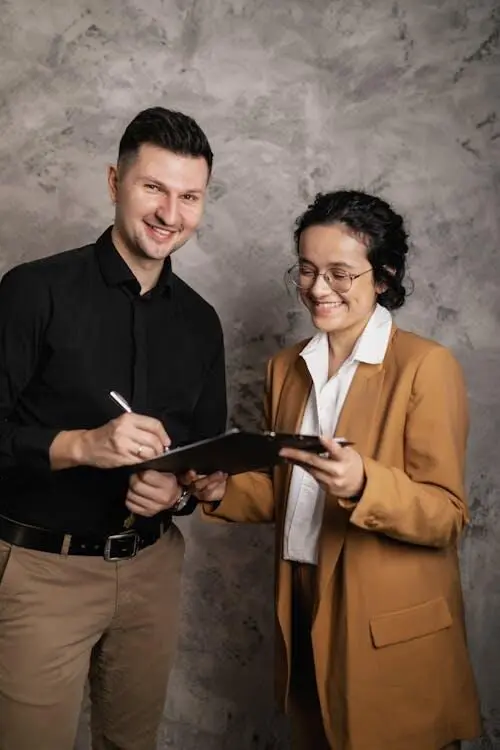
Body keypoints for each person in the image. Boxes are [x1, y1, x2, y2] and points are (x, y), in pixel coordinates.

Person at [188, 190, 482, 750]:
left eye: (341, 274)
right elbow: (288, 491)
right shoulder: (286, 368)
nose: (319, 289)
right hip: (299, 602)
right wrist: (223, 489)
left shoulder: (426, 367)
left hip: (387, 628)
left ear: (385, 276)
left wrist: (365, 483)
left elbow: (447, 514)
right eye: (307, 270)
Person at [0, 107, 226, 750]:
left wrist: (179, 493)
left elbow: (202, 462)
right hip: (43, 571)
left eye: (189, 196)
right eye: (153, 188)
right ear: (113, 182)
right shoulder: (31, 291)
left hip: (153, 570)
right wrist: (82, 446)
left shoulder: (201, 322)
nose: (169, 213)